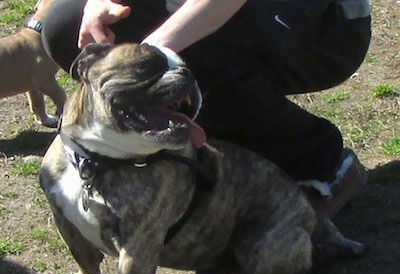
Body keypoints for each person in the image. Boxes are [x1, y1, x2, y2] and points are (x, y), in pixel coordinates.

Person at [41, 0, 372, 217]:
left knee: (194, 47)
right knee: (66, 25)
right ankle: (172, 146)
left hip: (325, 23)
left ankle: (322, 164)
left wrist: (153, 54)